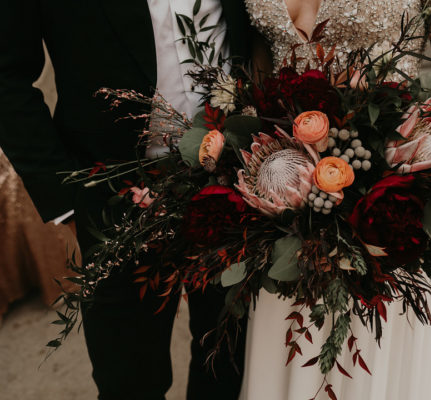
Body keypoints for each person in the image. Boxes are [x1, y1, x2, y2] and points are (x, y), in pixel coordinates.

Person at [0, 1, 258, 399]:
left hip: (237, 175)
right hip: (116, 191)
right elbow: (6, 76)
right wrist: (69, 198)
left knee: (227, 358)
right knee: (130, 379)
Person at [238, 1, 431, 399]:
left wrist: (400, 179)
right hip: (281, 214)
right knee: (277, 368)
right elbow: (260, 66)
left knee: (366, 376)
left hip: (385, 219)